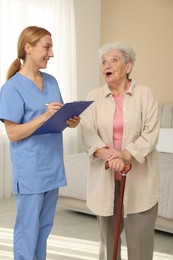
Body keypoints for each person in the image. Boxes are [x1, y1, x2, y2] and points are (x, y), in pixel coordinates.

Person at [0, 26, 80, 260]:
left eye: (51, 47)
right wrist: (43, 116)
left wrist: (71, 120)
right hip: (30, 171)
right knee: (28, 231)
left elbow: (58, 119)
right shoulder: (12, 88)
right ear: (28, 48)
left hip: (52, 167)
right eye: (47, 47)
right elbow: (13, 133)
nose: (51, 53)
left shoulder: (52, 81)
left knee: (44, 230)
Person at [80, 40, 160, 260]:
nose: (107, 65)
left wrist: (125, 154)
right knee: (108, 247)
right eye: (104, 61)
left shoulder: (145, 94)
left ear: (128, 66)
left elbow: (150, 134)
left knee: (140, 245)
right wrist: (108, 155)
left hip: (139, 181)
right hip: (105, 178)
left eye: (114, 60)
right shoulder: (92, 97)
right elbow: (88, 133)